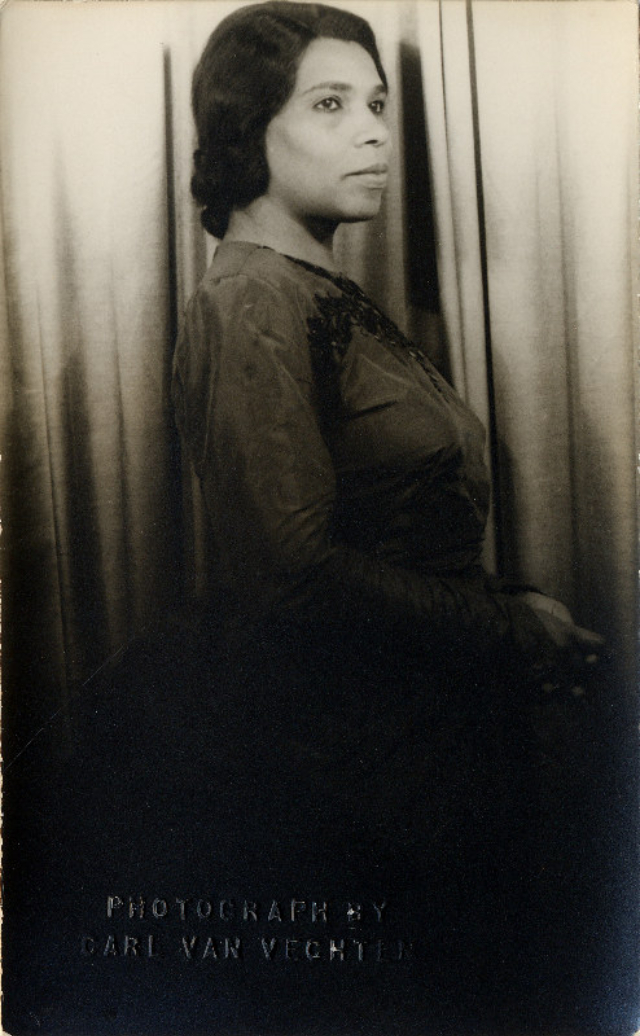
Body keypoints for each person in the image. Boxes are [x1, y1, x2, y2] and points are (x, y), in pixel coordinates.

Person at [171, 0, 607, 1020]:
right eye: (330, 105)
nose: (373, 131)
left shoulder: (322, 291)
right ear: (246, 131)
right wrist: (513, 627)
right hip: (364, 770)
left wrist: (514, 603)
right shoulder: (250, 304)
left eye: (375, 104)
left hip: (434, 739)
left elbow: (397, 524)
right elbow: (291, 575)